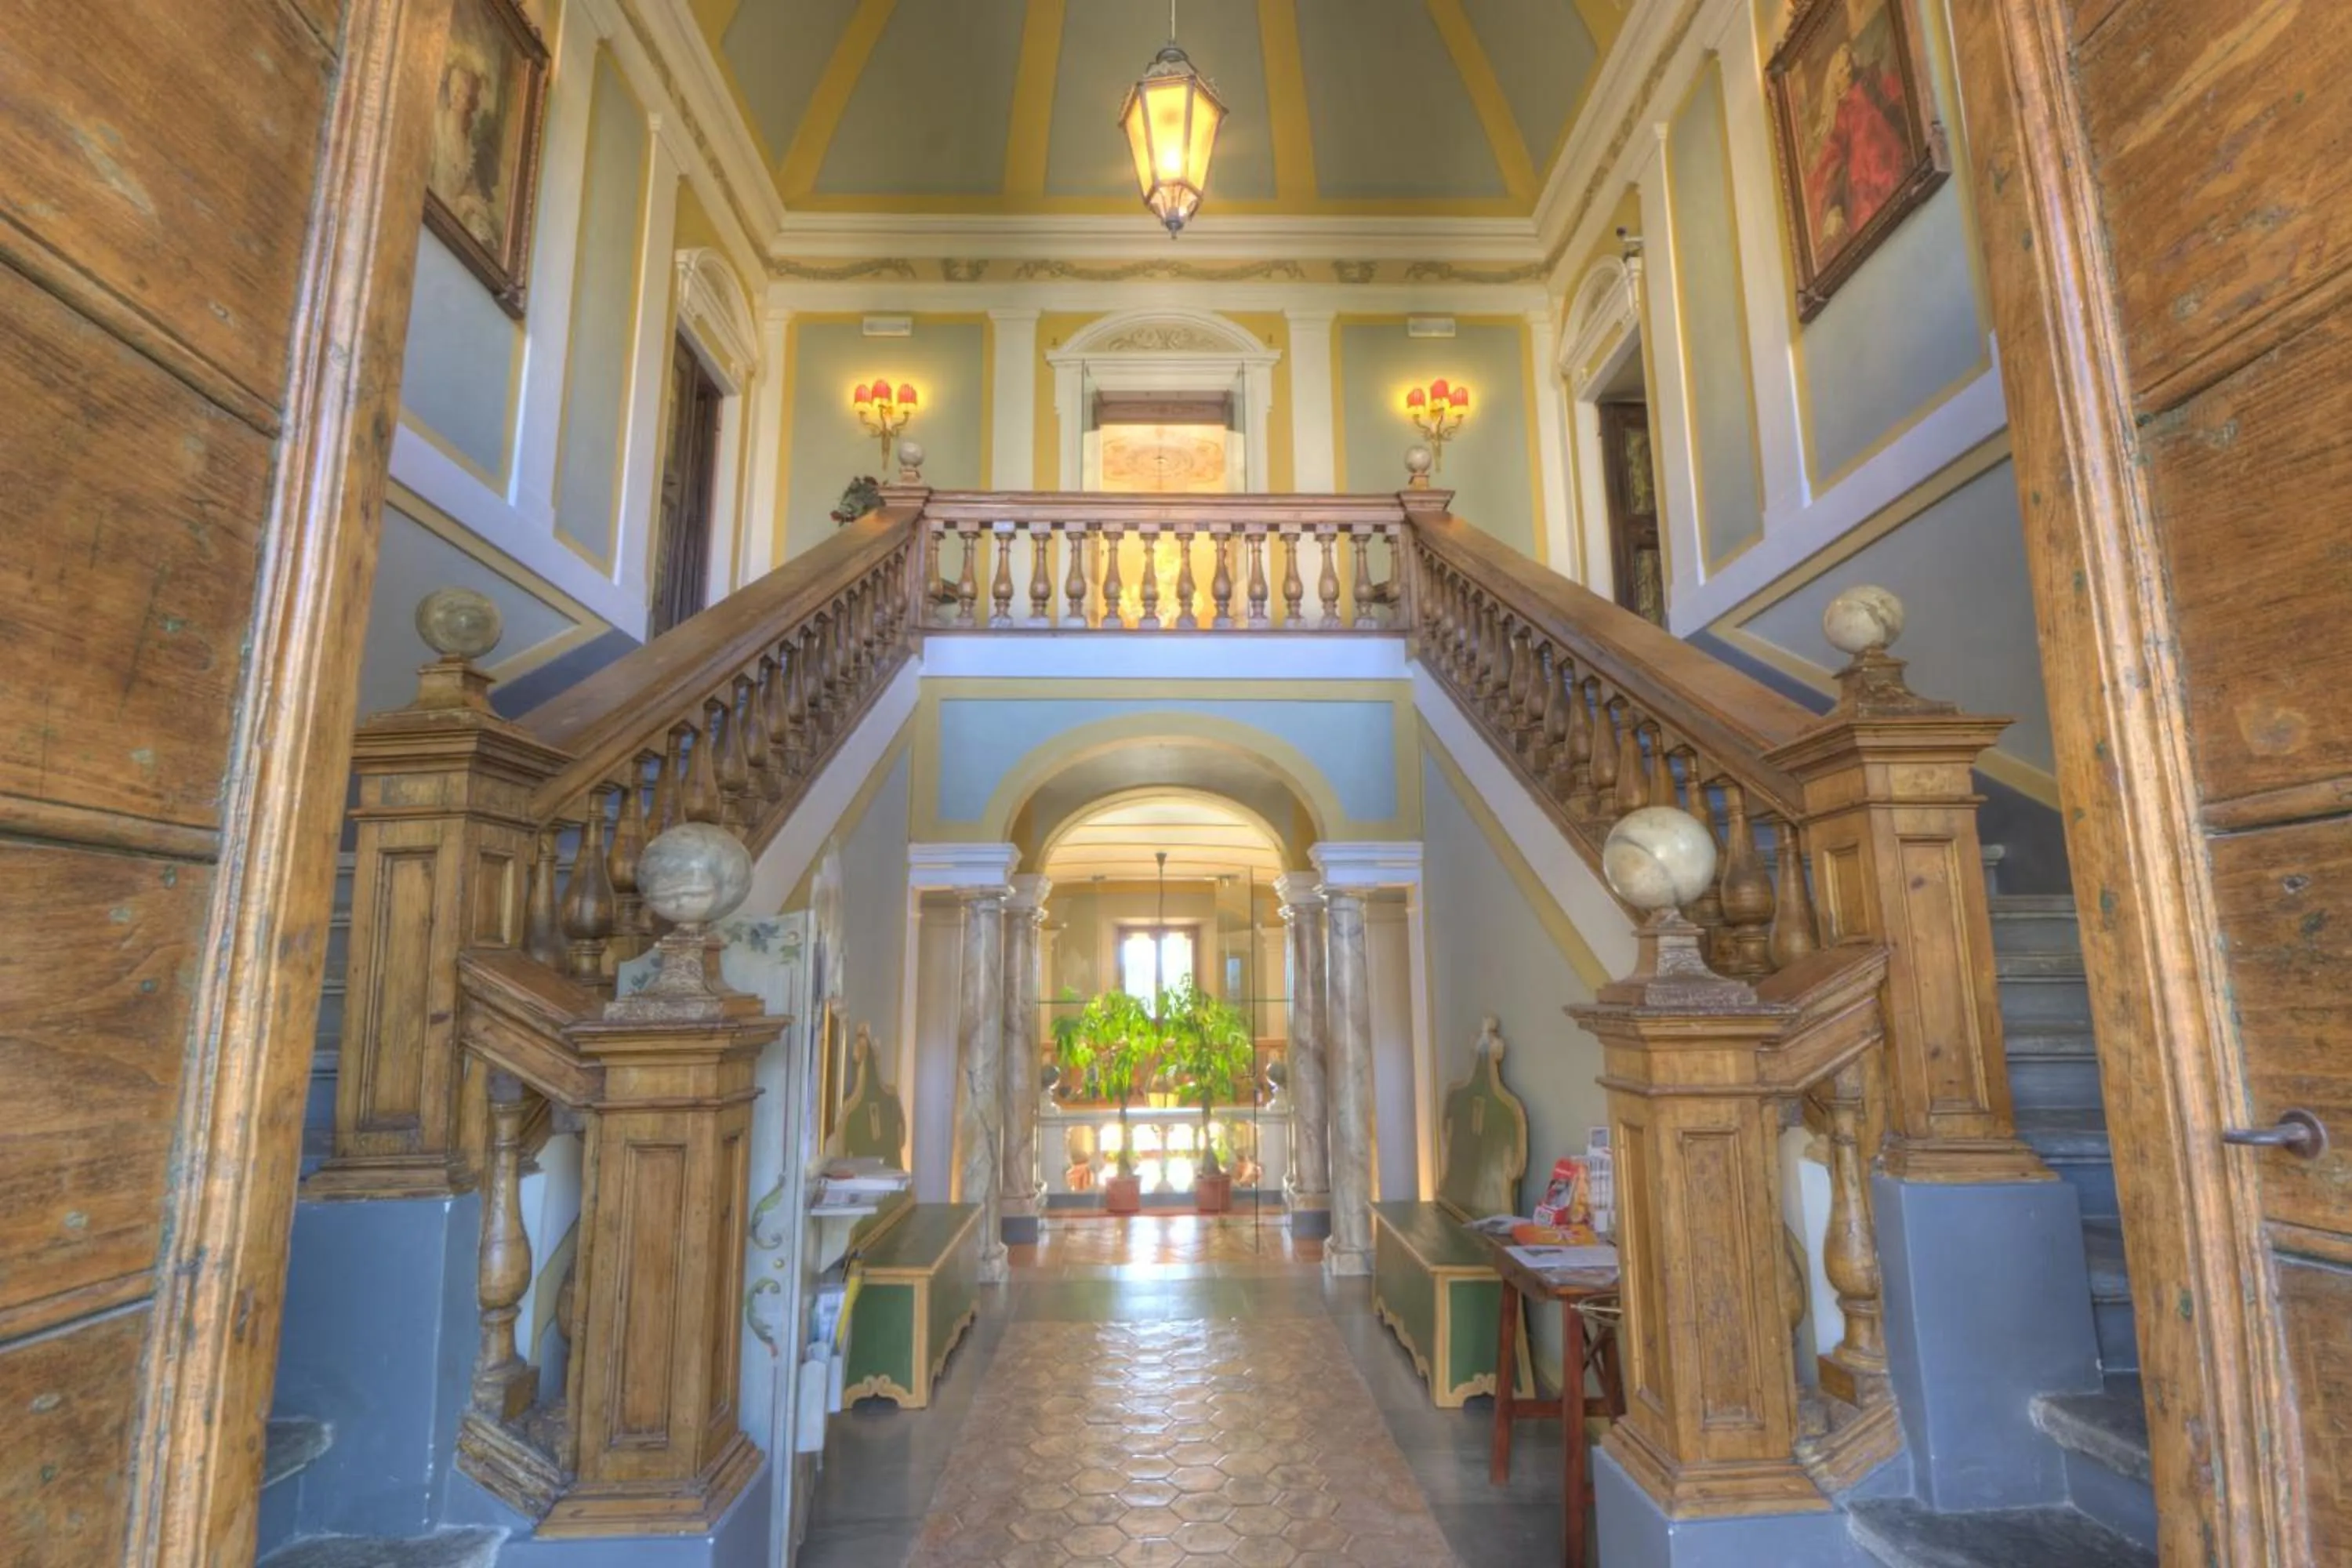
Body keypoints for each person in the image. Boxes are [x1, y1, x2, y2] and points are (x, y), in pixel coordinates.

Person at [1804, 34, 1909, 248]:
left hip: (1892, 160)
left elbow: (1898, 93)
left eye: (1849, 65)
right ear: (1834, 82)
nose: (1848, 71)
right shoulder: (1842, 113)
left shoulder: (1872, 84)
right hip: (1864, 180)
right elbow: (1832, 155)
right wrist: (1832, 205)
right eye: (1841, 71)